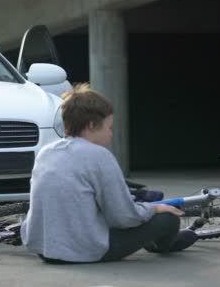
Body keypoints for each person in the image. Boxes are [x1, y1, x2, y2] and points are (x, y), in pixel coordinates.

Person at [20, 83, 198, 263]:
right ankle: (164, 245)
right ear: (91, 125)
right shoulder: (99, 155)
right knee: (168, 218)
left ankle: (152, 239)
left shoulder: (46, 152)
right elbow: (123, 217)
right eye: (109, 127)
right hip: (84, 251)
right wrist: (154, 208)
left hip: (45, 248)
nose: (111, 134)